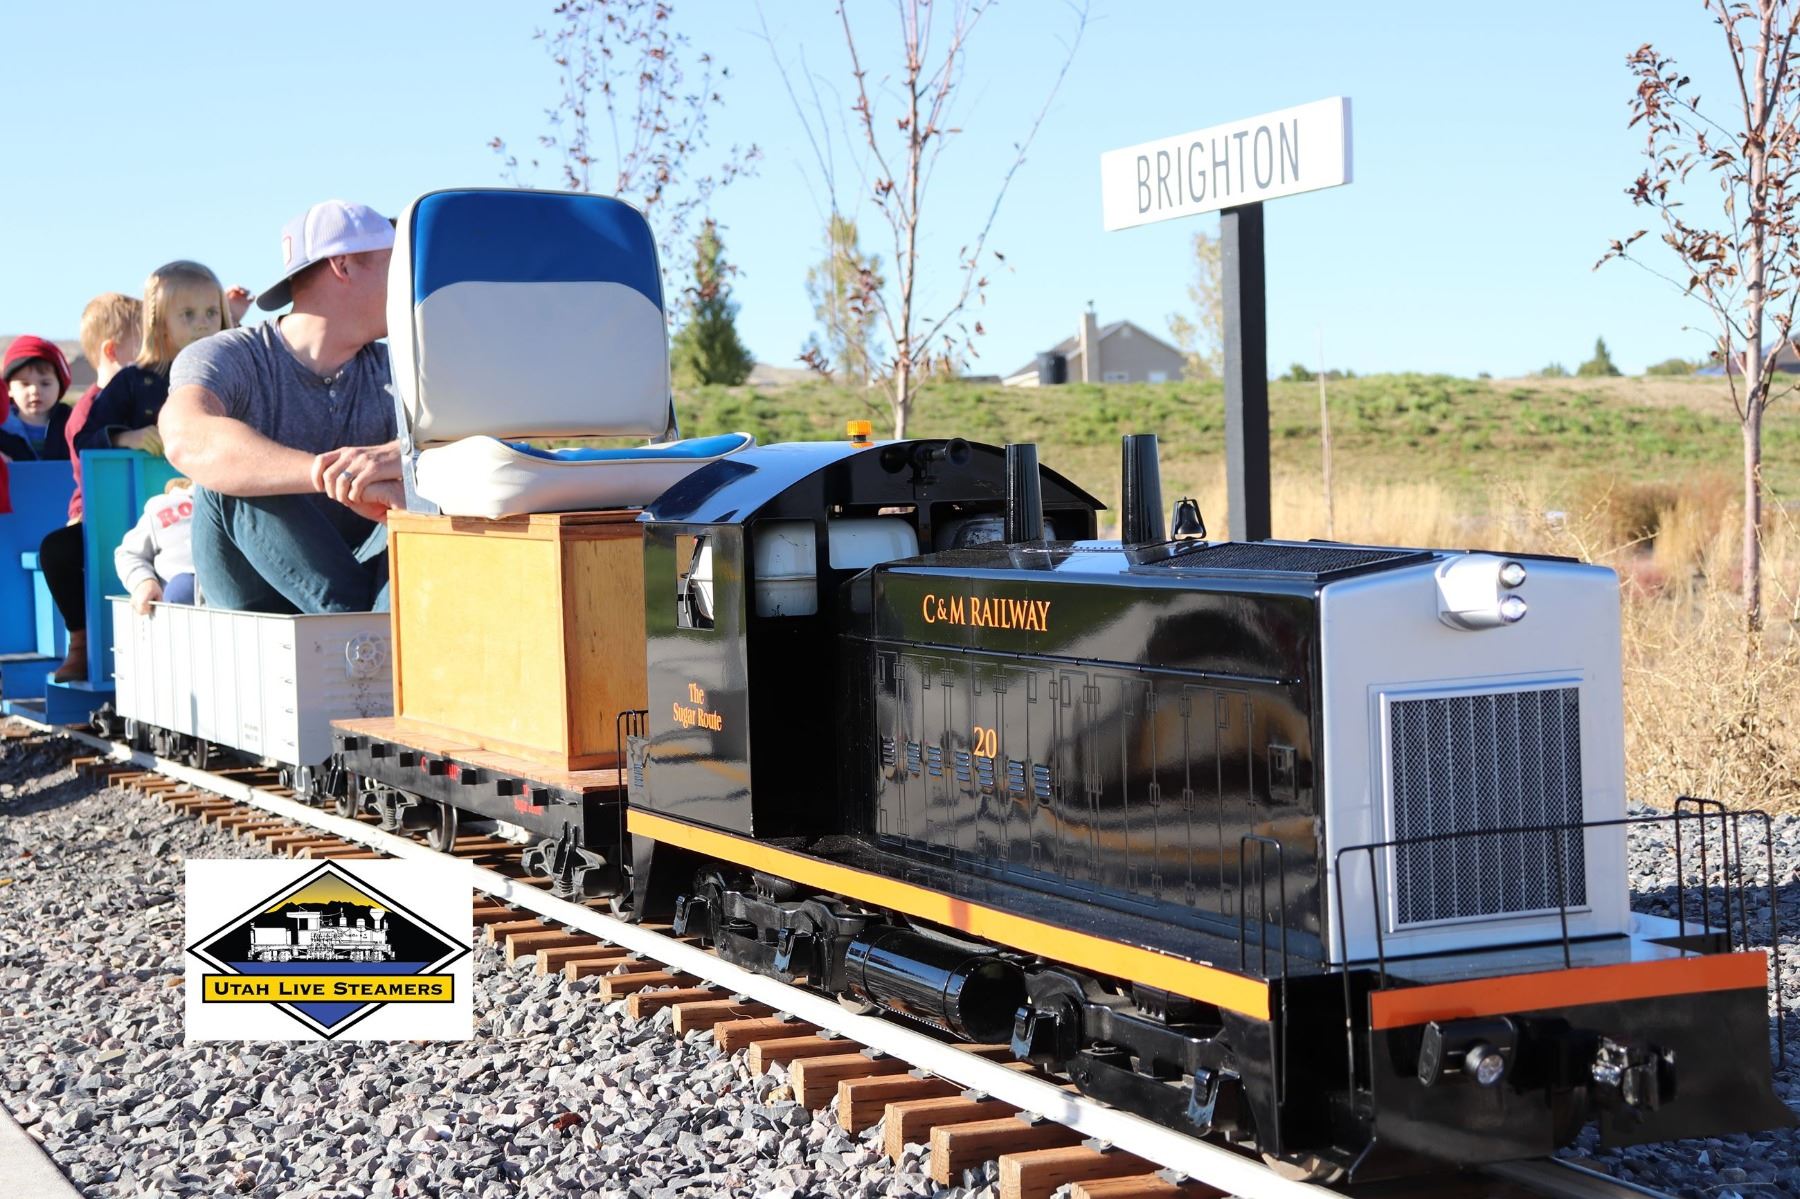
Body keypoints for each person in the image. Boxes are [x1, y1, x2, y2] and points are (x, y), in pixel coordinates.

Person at [160, 199, 403, 614]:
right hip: (255, 587)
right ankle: (361, 631)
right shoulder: (228, 356)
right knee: (231, 474)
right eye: (396, 264)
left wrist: (394, 458)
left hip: (362, 566)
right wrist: (329, 475)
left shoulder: (402, 368)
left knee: (431, 493)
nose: (411, 280)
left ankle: (375, 632)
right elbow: (186, 437)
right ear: (343, 266)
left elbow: (478, 440)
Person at [40, 264, 235, 681]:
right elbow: (84, 437)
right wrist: (127, 437)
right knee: (58, 550)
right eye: (187, 315)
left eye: (210, 313)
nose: (202, 325)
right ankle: (82, 641)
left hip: (218, 505)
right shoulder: (133, 381)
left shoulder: (233, 372)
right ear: (157, 322)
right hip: (139, 515)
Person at [65, 292, 144, 520]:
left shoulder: (140, 398)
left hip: (138, 496)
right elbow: (85, 458)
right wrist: (122, 438)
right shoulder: (89, 408)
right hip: (94, 508)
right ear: (112, 351)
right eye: (144, 347)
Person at [115, 479, 195, 614]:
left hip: (230, 604)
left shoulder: (238, 503)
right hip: (179, 609)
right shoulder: (166, 507)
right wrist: (144, 581)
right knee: (182, 587)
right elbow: (128, 553)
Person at [0, 336, 75, 462]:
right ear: (8, 389)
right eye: (25, 384)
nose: (35, 391)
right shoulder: (3, 427)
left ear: (60, 386)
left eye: (45, 383)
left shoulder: (72, 424)